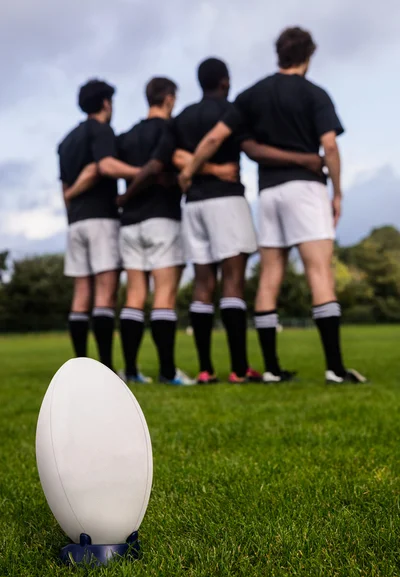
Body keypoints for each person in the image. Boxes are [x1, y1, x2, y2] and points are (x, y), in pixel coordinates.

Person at [179, 31, 367, 385]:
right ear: (308, 56)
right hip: (306, 188)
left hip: (268, 193)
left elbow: (216, 137)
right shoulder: (315, 94)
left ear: (278, 55)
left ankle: (270, 368)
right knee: (320, 274)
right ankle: (336, 369)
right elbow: (330, 147)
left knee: (269, 278)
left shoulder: (253, 94)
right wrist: (338, 192)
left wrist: (189, 171)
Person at [115, 77, 195, 385]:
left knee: (135, 294)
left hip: (129, 223)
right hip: (161, 217)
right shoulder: (170, 130)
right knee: (164, 294)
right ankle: (167, 372)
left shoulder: (126, 136)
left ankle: (132, 372)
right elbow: (162, 167)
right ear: (169, 99)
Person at [58, 79, 140, 371]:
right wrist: (141, 172)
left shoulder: (66, 141)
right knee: (105, 293)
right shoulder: (101, 130)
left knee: (81, 294)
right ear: (106, 103)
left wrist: (70, 205)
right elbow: (103, 167)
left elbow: (64, 186)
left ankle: (79, 366)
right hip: (101, 219)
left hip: (75, 222)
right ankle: (105, 367)